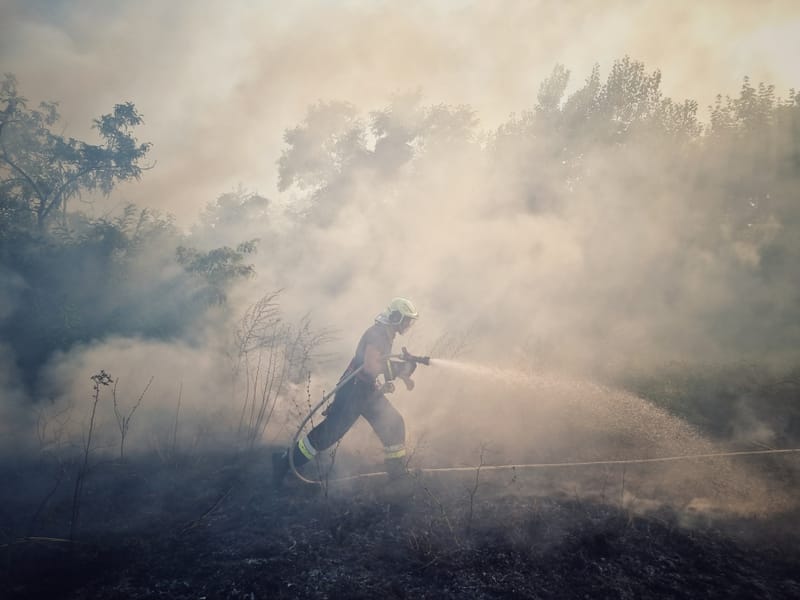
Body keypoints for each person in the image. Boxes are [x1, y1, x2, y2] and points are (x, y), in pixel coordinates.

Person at [272, 297, 421, 486]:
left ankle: (397, 474)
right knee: (328, 435)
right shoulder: (377, 334)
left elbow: (377, 365)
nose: (408, 324)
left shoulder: (386, 334)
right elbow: (370, 366)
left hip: (366, 390)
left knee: (394, 423)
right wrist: (400, 369)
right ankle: (284, 461)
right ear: (395, 317)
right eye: (406, 320)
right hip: (353, 391)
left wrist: (402, 374)